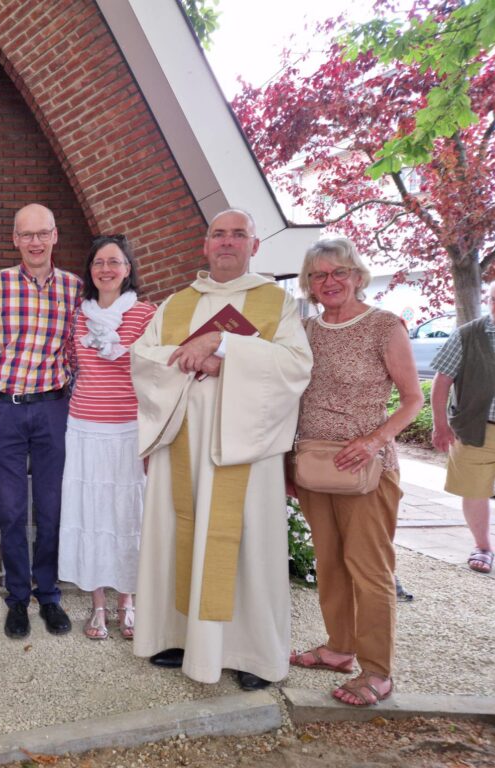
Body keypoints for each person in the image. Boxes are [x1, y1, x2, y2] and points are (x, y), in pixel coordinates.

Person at [130, 209, 312, 690]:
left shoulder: (277, 302)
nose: (228, 242)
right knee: (179, 530)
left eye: (238, 234)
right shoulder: (177, 303)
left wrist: (224, 347)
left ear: (254, 245)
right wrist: (194, 359)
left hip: (246, 451)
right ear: (205, 245)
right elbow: (143, 358)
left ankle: (251, 655)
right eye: (219, 234)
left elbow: (296, 366)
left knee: (247, 543)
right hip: (183, 443)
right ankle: (178, 637)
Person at [289, 237, 422, 706]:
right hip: (313, 465)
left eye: (338, 272)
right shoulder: (305, 330)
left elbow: (413, 400)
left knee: (370, 569)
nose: (329, 282)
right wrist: (287, 461)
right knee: (329, 563)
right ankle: (339, 648)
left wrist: (372, 442)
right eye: (319, 275)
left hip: (366, 469)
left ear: (358, 276)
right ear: (308, 283)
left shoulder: (384, 325)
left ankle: (378, 672)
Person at [0, 203, 83, 639]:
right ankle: (18, 597)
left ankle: (49, 595)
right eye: (27, 234)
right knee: (12, 512)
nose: (36, 242)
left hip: (54, 408)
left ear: (55, 236)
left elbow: (81, 352)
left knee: (51, 509)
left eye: (43, 233)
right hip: (5, 410)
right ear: (15, 239)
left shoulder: (75, 289)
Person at [57, 236, 155, 641]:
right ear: (90, 270)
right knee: (92, 514)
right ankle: (98, 605)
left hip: (129, 428)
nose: (106, 269)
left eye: (114, 262)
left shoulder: (146, 314)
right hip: (85, 427)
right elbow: (68, 362)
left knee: (128, 514)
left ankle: (127, 602)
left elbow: (157, 369)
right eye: (99, 262)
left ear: (128, 269)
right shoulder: (77, 317)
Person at [430, 282, 495, 574]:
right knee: (474, 489)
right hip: (474, 427)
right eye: (494, 299)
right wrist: (440, 425)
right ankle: (483, 546)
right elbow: (442, 381)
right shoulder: (467, 334)